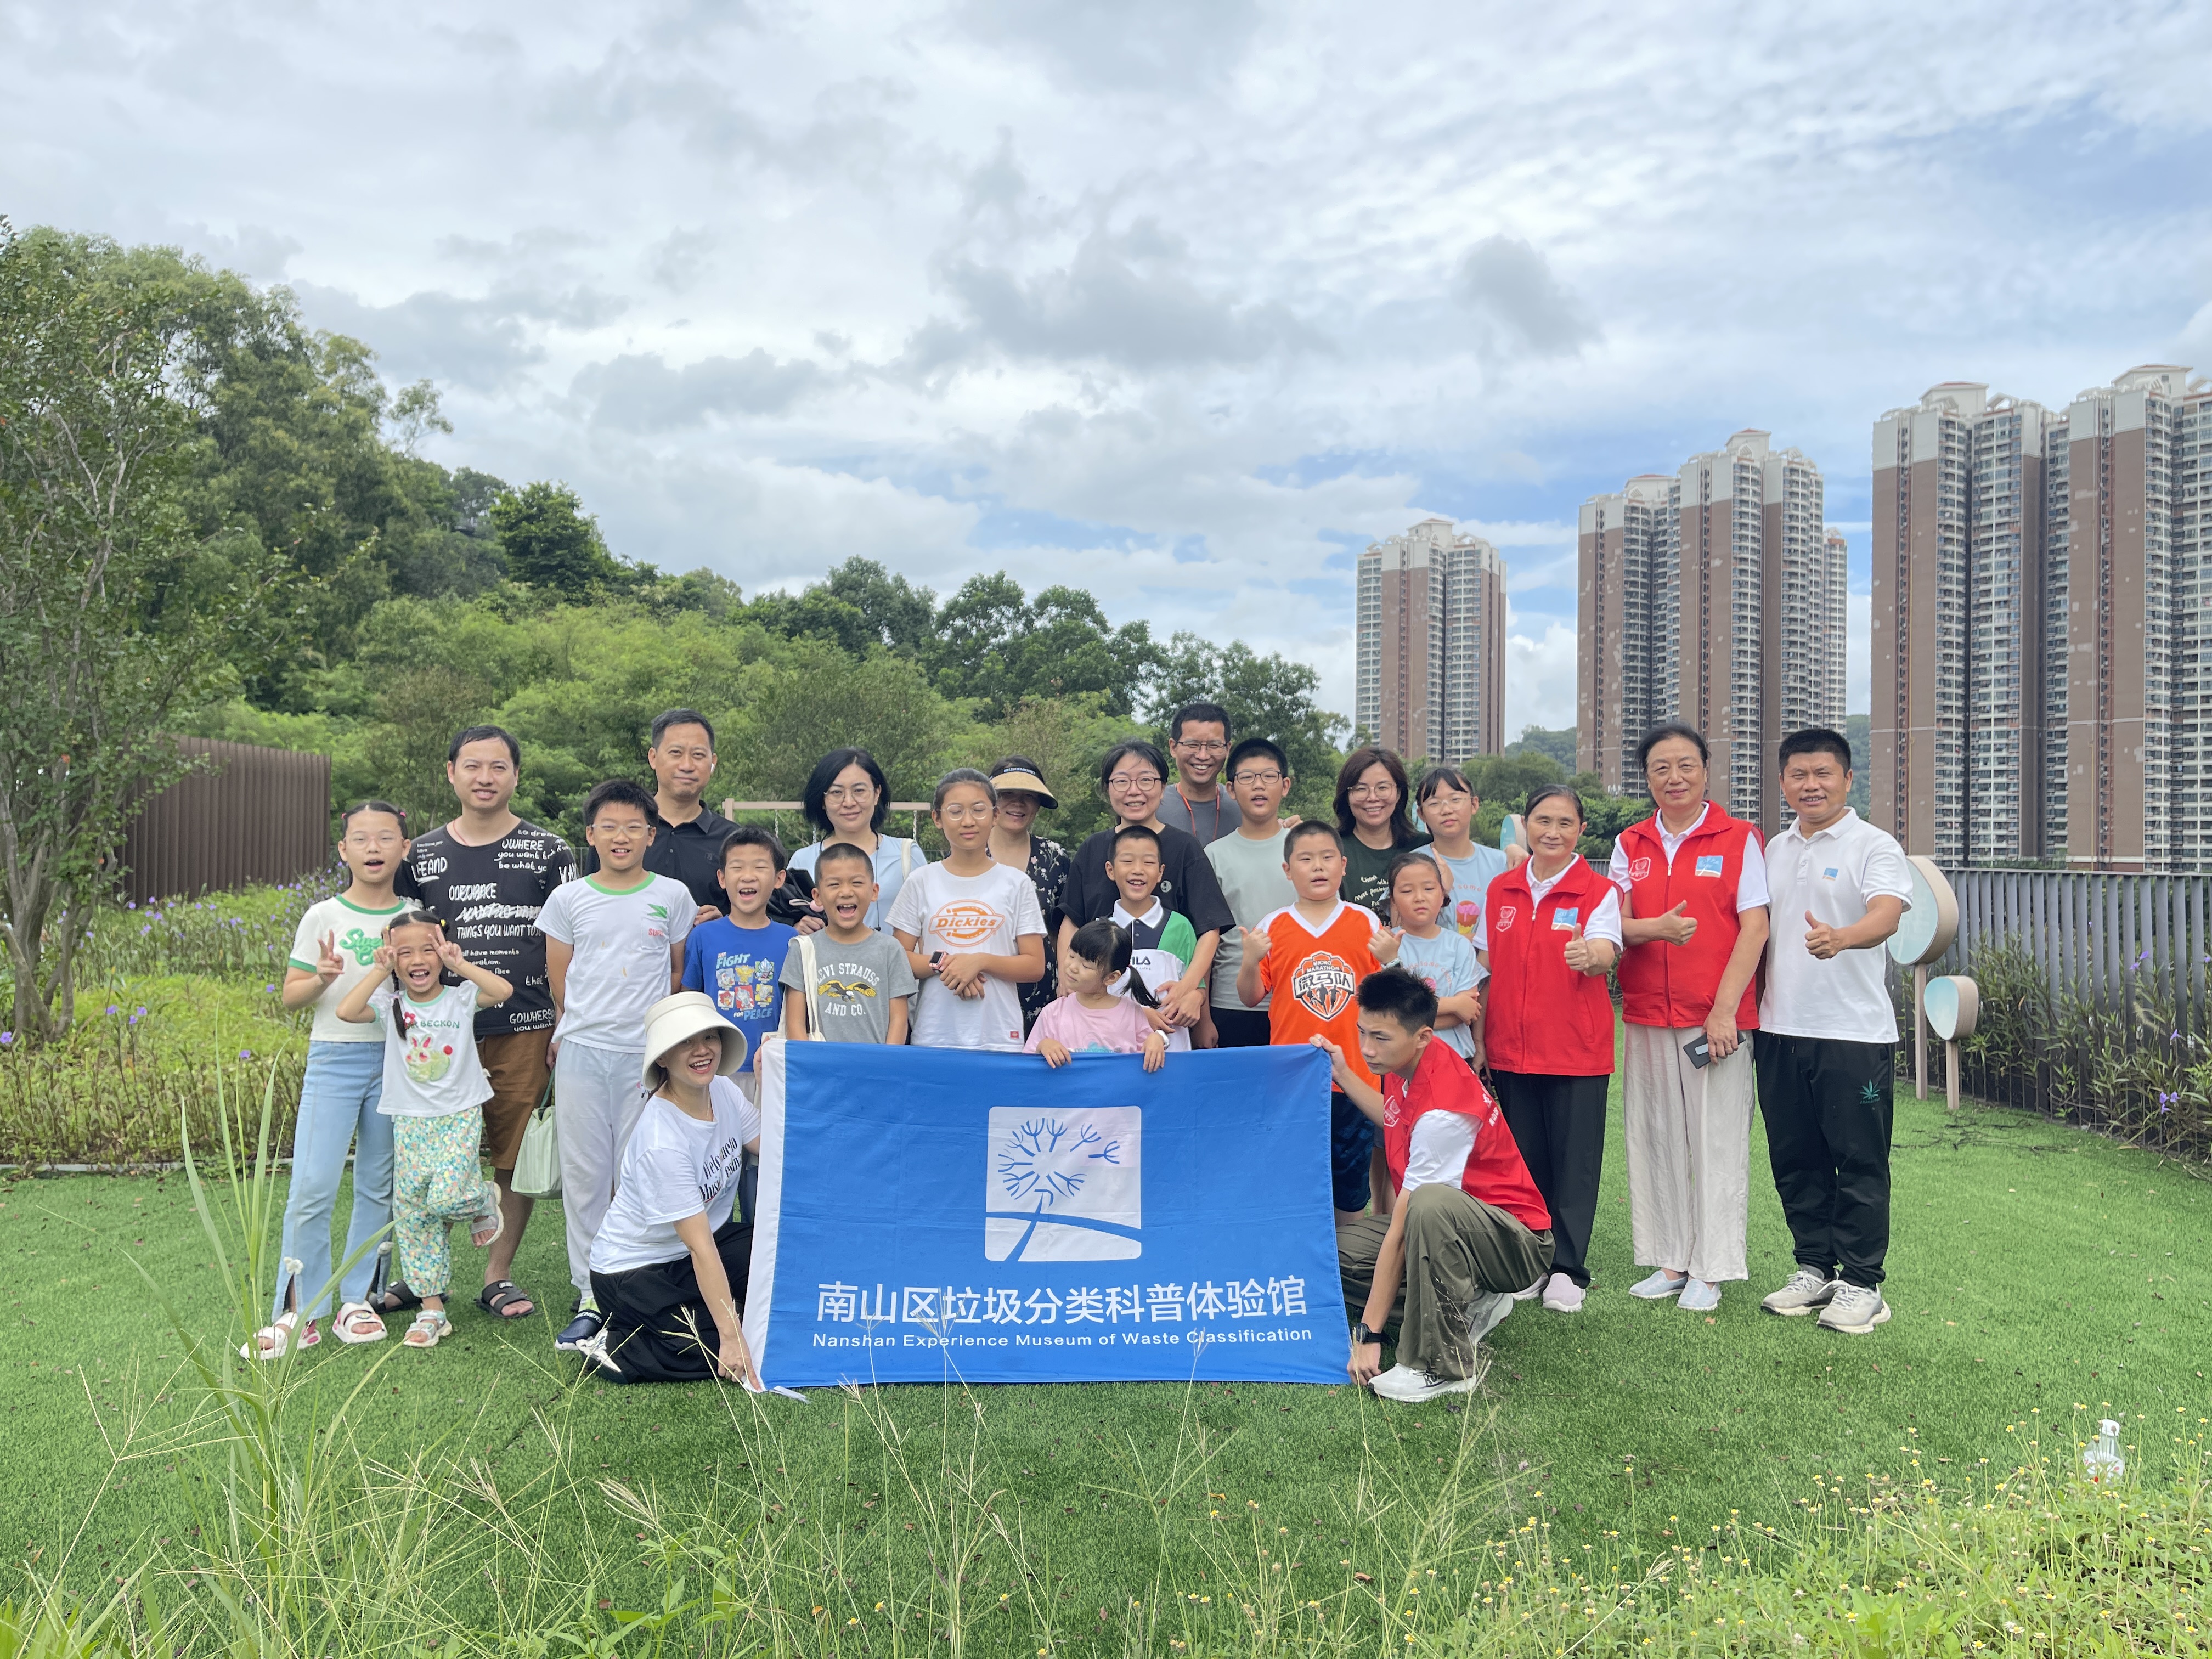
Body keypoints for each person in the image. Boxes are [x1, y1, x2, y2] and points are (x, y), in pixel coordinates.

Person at [396, 724, 574, 1327]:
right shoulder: (420, 856)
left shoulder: (550, 852)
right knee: (426, 1154)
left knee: (512, 1151)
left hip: (526, 1022)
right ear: (451, 772)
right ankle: (424, 1275)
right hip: (436, 1032)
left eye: (499, 766)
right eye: (472, 766)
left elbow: (572, 943)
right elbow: (399, 941)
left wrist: (563, 1021)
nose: (485, 777)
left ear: (516, 775)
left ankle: (496, 1275)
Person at [1325, 968, 1555, 1404]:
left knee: (1427, 1205)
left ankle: (1443, 1365)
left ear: (1423, 1037)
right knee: (1332, 1254)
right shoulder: (1406, 1063)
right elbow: (1393, 1117)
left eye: (1381, 1038)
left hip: (1517, 1243)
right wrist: (1344, 1072)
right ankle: (1467, 1303)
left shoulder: (1442, 1112)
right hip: (1461, 1232)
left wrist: (1369, 1334)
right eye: (1362, 1033)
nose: (1367, 1048)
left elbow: (1402, 1229)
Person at [1610, 723, 1771, 1315]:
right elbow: (1612, 924)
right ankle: (1673, 1260)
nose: (1674, 778)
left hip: (1715, 1020)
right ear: (1647, 778)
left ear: (1706, 771)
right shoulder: (1630, 843)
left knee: (1716, 1142)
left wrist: (1725, 1010)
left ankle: (1712, 1267)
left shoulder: (1739, 838)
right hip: (1648, 1014)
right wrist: (1654, 929)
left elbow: (1755, 927)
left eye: (1685, 766)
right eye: (1661, 768)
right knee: (1657, 1138)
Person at [1754, 727, 1910, 1336]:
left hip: (1853, 1034)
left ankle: (1863, 1283)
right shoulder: (1774, 848)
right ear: (1783, 782)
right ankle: (1814, 1268)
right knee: (1796, 1158)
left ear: (1847, 778)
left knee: (1859, 1159)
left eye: (1823, 774)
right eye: (1798, 775)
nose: (1811, 785)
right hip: (1779, 1028)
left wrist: (1842, 937)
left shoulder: (1875, 845)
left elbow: (1886, 915)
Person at [534, 780, 696, 1351]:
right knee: (585, 1177)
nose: (621, 837)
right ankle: (589, 1294)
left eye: (633, 827)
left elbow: (674, 973)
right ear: (591, 835)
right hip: (583, 1051)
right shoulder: (569, 899)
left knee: (639, 1172)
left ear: (651, 835)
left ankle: (637, 1286)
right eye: (609, 827)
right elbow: (561, 980)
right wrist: (570, 1030)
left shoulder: (673, 895)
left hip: (644, 1057)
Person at [253, 801, 413, 1359]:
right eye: (361, 839)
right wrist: (321, 978)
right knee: (312, 1185)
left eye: (386, 838)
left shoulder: (416, 916)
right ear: (343, 850)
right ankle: (300, 1310)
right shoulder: (322, 916)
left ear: (404, 848)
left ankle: (358, 1301)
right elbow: (290, 996)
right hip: (334, 1058)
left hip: (397, 1063)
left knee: (378, 1184)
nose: (374, 848)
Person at [333, 907, 514, 1351]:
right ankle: (432, 1310)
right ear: (393, 959)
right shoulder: (390, 1004)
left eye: (428, 949)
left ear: (442, 952)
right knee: (415, 1216)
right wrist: (379, 972)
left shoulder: (460, 998)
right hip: (409, 1121)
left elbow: (503, 990)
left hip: (458, 1115)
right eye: (405, 952)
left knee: (446, 1197)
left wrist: (460, 964)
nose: (418, 960)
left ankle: (480, 1199)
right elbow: (345, 1010)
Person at [1475, 784, 1620, 1313]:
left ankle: (1568, 1269)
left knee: (1573, 1166)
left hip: (1576, 1051)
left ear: (1581, 830)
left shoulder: (1598, 891)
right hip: (1511, 1050)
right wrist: (1480, 1040)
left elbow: (1606, 949)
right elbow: (1484, 967)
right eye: (1542, 821)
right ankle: (1531, 1264)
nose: (1552, 832)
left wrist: (1590, 955)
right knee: (1525, 1164)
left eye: (1564, 823)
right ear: (1526, 826)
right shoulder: (1502, 889)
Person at [582, 992, 762, 1385]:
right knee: (727, 1343)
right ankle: (617, 1347)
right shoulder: (661, 1141)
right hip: (633, 1271)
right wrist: (731, 1335)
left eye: (710, 1037)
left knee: (776, 1258)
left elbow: (771, 1146)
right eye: (685, 1042)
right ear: (662, 1057)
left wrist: (774, 1085)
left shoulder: (724, 1090)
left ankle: (714, 1311)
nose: (702, 1051)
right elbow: (700, 1248)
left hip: (696, 1248)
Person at [1237, 821, 1400, 1222]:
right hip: (1292, 1080)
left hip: (1356, 1078)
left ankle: (1348, 1257)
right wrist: (1249, 960)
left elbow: (1393, 998)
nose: (1318, 866)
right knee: (1294, 1181)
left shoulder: (1365, 922)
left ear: (1343, 865)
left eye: (1327, 857)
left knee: (1350, 1188)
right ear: (1287, 870)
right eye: (1306, 859)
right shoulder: (1272, 926)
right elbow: (1250, 996)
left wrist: (1392, 961)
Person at [1057, 740, 1234, 1043]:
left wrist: (1192, 991)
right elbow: (1072, 921)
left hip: (1169, 1012)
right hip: (1100, 1008)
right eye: (1122, 781)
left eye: (1146, 780)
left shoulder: (1185, 848)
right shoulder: (1092, 848)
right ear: (1108, 788)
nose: (1134, 791)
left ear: (1163, 787)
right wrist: (1067, 977)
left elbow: (1207, 931)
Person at [888, 770, 1047, 1050]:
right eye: (955, 811)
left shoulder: (1016, 883)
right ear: (937, 818)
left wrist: (980, 962)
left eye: (978, 810)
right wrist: (948, 964)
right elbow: (898, 959)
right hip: (936, 1034)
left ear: (995, 815)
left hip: (999, 1035)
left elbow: (1034, 965)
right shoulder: (920, 881)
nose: (968, 821)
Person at [584, 709, 736, 927]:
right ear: (653, 758)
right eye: (676, 753)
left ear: (712, 762)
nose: (687, 765)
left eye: (698, 755)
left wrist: (726, 924)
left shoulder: (734, 840)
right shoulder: (617, 833)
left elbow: (758, 916)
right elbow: (590, 904)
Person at [679, 827, 797, 1100]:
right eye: (737, 867)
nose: (748, 876)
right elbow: (689, 1001)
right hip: (715, 1068)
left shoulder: (791, 940)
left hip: (771, 1067)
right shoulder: (703, 936)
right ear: (722, 878)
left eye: (760, 867)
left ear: (779, 878)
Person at [1205, 738, 1298, 1050]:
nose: (1259, 785)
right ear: (1231, 790)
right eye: (1247, 777)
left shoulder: (1305, 849)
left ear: (1285, 785)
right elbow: (1206, 938)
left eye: (1269, 776)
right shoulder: (1214, 855)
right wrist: (1204, 1017)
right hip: (1231, 1001)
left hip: (1297, 997)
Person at [778, 841, 917, 1043]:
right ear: (817, 896)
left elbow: (899, 1021)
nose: (846, 892)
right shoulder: (803, 949)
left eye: (857, 883)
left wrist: (886, 1060)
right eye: (834, 884)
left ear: (874, 891)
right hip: (821, 1063)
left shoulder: (890, 949)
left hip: (876, 1062)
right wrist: (811, 1062)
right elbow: (795, 1024)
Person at [786, 748, 929, 933]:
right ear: (822, 801)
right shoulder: (802, 860)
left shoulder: (906, 855)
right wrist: (796, 928)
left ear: (877, 794)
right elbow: (782, 919)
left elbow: (930, 919)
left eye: (859, 791)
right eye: (836, 792)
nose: (849, 802)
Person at [986, 757, 1070, 1032]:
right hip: (981, 988)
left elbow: (1065, 926)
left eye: (1028, 796)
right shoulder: (968, 854)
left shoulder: (1055, 858)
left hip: (1044, 993)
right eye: (1007, 794)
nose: (1018, 803)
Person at [1379, 851, 1485, 1066]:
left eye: (1428, 889)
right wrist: (1454, 1004)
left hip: (1454, 1058)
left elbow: (1465, 1013)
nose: (1419, 897)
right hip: (1402, 1062)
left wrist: (1410, 1018)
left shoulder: (1459, 946)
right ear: (1393, 900)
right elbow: (1389, 1013)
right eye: (1407, 891)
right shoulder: (1386, 946)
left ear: (1442, 894)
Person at [1103, 823, 1198, 1052]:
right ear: (1110, 870)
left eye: (1148, 862)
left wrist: (1197, 998)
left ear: (1161, 872)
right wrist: (1138, 1015)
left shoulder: (1181, 926)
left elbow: (1197, 986)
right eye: (1127, 861)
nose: (1138, 870)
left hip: (1173, 1052)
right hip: (1114, 1054)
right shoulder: (1100, 931)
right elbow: (1089, 998)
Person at [1025, 921, 1170, 1071]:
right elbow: (1027, 1063)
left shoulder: (1131, 1013)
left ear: (1111, 978)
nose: (1072, 967)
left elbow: (1149, 1054)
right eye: (1072, 955)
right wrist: (1043, 1046)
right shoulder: (1053, 1013)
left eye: (1085, 966)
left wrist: (1156, 1038)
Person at [1414, 766, 1524, 941]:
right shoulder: (1412, 864)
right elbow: (1403, 932)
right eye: (1434, 803)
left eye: (1455, 800)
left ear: (1474, 804)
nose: (1446, 810)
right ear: (1421, 814)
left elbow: (1517, 926)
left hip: (1490, 960)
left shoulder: (1502, 863)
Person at [1335, 748, 1430, 915]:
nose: (1372, 797)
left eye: (1383, 787)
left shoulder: (1423, 847)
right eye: (1361, 789)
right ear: (1347, 797)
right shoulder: (1333, 849)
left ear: (1398, 793)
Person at [1158, 702, 1239, 845]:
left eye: (1214, 746)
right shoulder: (1154, 805)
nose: (1203, 756)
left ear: (1228, 749)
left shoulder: (1243, 806)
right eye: (1192, 745)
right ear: (1173, 747)